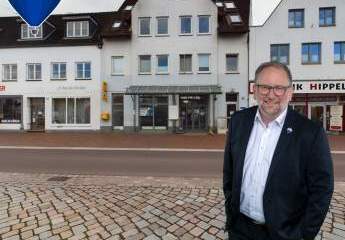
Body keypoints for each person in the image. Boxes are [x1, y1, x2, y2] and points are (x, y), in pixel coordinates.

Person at [223, 62, 334, 240]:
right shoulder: (238, 121)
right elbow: (229, 171)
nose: (271, 94)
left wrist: (302, 234)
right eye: (264, 87)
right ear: (255, 89)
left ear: (290, 92)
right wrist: (231, 206)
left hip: (283, 234)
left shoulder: (310, 132)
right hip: (240, 229)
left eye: (279, 88)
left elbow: (322, 189)